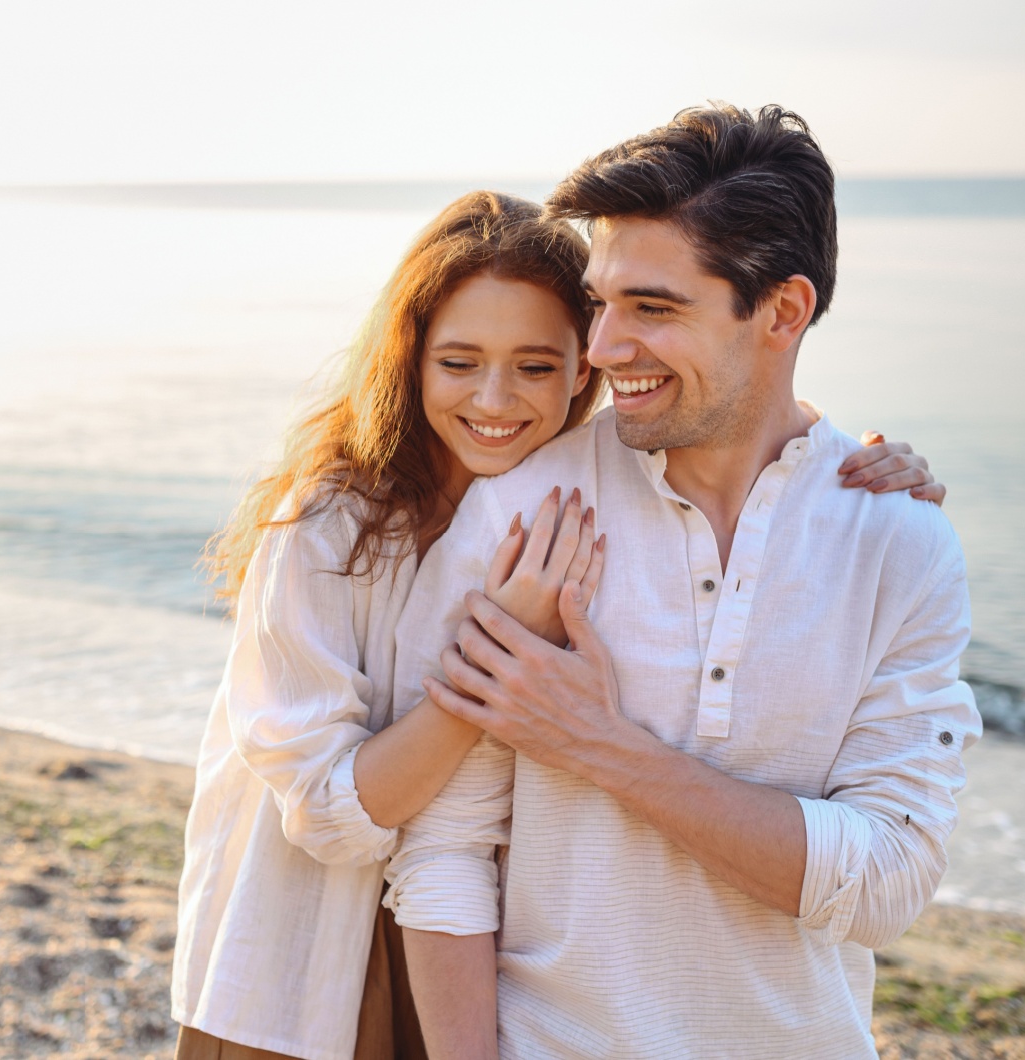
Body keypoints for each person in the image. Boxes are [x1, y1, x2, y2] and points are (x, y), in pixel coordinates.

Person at [172, 190, 943, 1060]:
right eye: (458, 362)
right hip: (312, 946)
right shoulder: (329, 527)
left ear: (585, 368)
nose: (494, 399)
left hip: (471, 946)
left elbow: (735, 390)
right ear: (410, 361)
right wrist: (500, 669)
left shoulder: (548, 497)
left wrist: (838, 465)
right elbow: (326, 812)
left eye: (536, 366)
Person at [384, 105, 981, 1060]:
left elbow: (885, 882)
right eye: (602, 302)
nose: (603, 349)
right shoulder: (524, 512)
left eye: (652, 309)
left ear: (782, 311)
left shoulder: (898, 543)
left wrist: (605, 748)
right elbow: (443, 853)